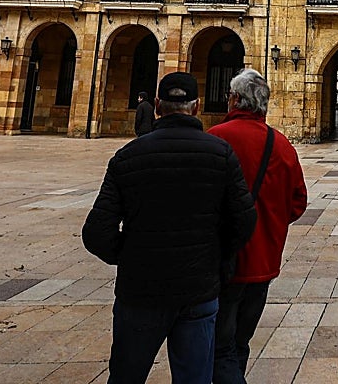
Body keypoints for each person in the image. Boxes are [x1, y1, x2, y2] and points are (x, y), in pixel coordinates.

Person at [82, 71, 256, 384]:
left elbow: (96, 232)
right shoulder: (219, 154)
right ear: (198, 106)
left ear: (158, 105)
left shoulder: (127, 157)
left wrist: (132, 255)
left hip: (140, 292)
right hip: (198, 290)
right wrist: (214, 255)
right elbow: (244, 220)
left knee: (126, 377)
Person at [208, 69, 308, 384]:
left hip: (222, 263)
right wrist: (270, 222)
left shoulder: (215, 139)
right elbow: (298, 203)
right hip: (264, 263)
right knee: (239, 342)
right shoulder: (282, 145)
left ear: (236, 99)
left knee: (219, 347)